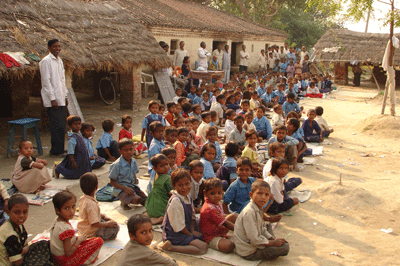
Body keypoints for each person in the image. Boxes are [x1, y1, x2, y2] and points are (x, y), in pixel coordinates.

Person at [234, 180, 289, 260]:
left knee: (268, 226)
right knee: (285, 247)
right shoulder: (249, 212)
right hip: (248, 251)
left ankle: (270, 241)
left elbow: (261, 228)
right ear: (251, 195)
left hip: (255, 241)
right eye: (259, 193)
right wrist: (272, 243)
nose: (263, 197)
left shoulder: (258, 208)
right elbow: (254, 240)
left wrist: (271, 238)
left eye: (266, 195)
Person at [158, 169, 208, 255]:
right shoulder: (176, 201)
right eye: (180, 185)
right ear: (174, 186)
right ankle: (171, 247)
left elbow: (192, 216)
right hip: (176, 234)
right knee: (203, 247)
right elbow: (178, 227)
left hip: (187, 227)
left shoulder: (188, 197)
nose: (184, 188)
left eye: (187, 184)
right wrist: (191, 234)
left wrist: (192, 230)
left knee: (206, 224)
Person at [50, 191, 103, 265]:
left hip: (56, 258)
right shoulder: (65, 229)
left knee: (85, 240)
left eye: (73, 206)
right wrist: (78, 241)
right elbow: (68, 253)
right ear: (57, 210)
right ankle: (87, 260)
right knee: (98, 241)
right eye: (66, 208)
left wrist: (79, 239)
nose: (71, 211)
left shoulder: (57, 220)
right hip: (64, 261)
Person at [40, 39, 68, 156]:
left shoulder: (59, 61)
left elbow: (62, 80)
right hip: (53, 100)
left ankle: (60, 148)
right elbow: (46, 81)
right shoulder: (45, 61)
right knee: (56, 125)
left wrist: (65, 95)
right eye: (54, 46)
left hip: (60, 97)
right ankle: (56, 151)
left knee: (62, 125)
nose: (57, 48)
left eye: (58, 46)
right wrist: (52, 98)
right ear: (49, 48)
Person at [199, 178, 237, 253]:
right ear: (205, 193)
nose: (217, 196)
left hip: (219, 229)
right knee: (229, 245)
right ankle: (212, 243)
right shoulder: (209, 208)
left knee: (234, 216)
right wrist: (240, 231)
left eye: (219, 193)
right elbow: (225, 223)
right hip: (210, 236)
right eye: (213, 193)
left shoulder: (216, 203)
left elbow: (222, 216)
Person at [78, 173, 119, 240]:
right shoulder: (91, 204)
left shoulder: (82, 198)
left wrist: (102, 216)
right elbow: (94, 223)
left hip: (83, 228)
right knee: (115, 227)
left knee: (105, 220)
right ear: (96, 187)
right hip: (91, 233)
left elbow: (88, 214)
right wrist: (107, 224)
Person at [109, 138, 147, 210]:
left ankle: (130, 198)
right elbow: (112, 182)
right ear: (120, 151)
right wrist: (124, 188)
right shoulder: (117, 164)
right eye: (125, 150)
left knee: (146, 200)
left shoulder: (133, 161)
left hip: (132, 187)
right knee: (137, 199)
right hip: (121, 189)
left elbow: (134, 173)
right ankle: (124, 202)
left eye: (131, 149)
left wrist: (135, 180)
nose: (129, 152)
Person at [56, 115, 91, 179]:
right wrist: (73, 161)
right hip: (76, 157)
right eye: (75, 124)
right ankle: (59, 169)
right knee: (74, 174)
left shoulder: (79, 134)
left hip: (82, 157)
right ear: (70, 126)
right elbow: (70, 151)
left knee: (84, 173)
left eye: (79, 124)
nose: (78, 126)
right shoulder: (72, 138)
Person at [145, 154, 173, 225]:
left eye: (166, 164)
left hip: (150, 206)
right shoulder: (167, 178)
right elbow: (171, 194)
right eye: (162, 166)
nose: (166, 167)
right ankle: (160, 218)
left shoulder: (155, 175)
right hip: (160, 208)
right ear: (155, 168)